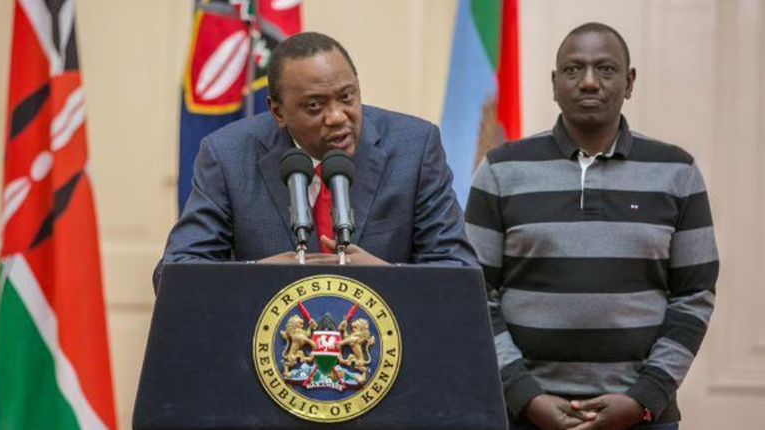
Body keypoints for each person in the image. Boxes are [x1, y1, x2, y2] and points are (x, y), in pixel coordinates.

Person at [464, 22, 718, 430]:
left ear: (629, 82)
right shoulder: (501, 170)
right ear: (554, 83)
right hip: (522, 415)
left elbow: (694, 295)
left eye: (605, 69)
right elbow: (474, 293)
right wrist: (526, 398)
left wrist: (644, 399)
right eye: (572, 70)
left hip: (643, 417)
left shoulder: (677, 172)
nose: (588, 82)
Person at [154, 32, 476, 291]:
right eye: (314, 105)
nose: (337, 117)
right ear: (277, 111)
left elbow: (459, 271)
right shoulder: (227, 155)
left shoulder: (415, 147)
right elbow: (175, 273)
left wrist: (383, 275)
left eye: (347, 96)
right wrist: (258, 273)